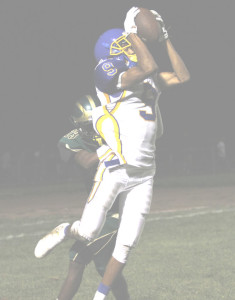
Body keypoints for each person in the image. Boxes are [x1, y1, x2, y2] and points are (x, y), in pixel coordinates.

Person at [35, 7, 190, 299]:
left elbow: (182, 75)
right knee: (89, 231)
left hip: (145, 173)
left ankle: (100, 296)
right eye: (121, 43)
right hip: (117, 167)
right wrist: (133, 32)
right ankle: (67, 229)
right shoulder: (106, 74)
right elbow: (148, 67)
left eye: (128, 41)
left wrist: (166, 38)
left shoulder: (147, 81)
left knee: (127, 244)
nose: (128, 45)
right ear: (109, 53)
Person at [37, 95, 130, 300]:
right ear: (77, 125)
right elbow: (87, 162)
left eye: (96, 122)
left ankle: (67, 230)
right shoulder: (71, 141)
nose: (94, 128)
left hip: (120, 208)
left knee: (93, 266)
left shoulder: (115, 126)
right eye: (88, 124)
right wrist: (111, 146)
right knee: (83, 264)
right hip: (99, 207)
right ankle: (67, 229)